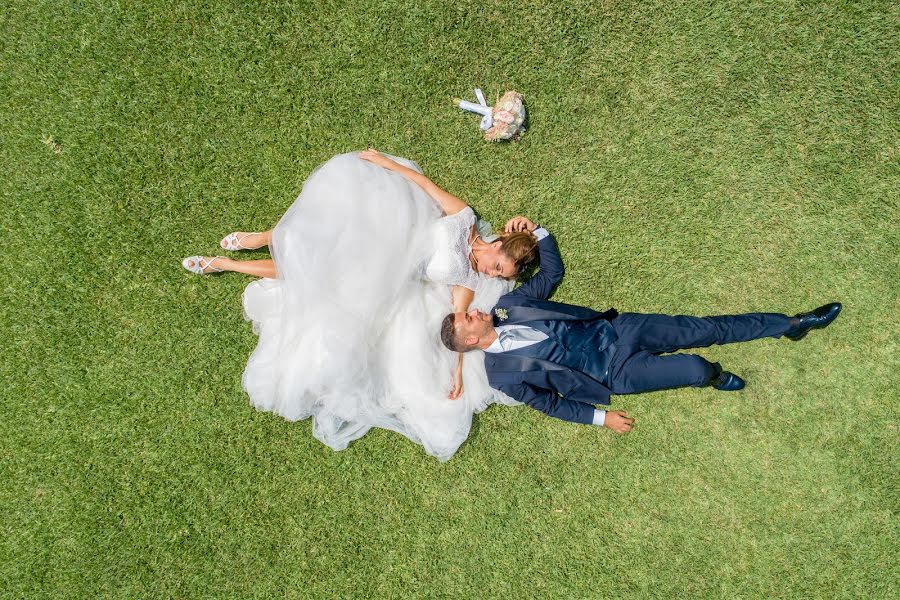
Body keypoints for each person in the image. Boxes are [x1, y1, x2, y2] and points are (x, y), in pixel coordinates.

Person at [182, 150, 540, 459]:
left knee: (315, 271)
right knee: (321, 232)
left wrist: (458, 368)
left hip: (386, 273)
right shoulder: (464, 217)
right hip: (391, 231)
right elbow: (425, 186)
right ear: (498, 245)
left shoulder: (468, 278)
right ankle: (262, 237)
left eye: (499, 275)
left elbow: (458, 320)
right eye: (498, 267)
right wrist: (384, 163)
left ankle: (226, 263)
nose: (492, 274)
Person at [440, 216, 842, 433]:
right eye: (468, 318)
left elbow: (551, 275)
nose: (475, 310)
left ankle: (791, 323)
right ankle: (715, 376)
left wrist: (536, 230)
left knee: (707, 329)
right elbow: (550, 405)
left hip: (620, 330)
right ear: (471, 340)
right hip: (616, 373)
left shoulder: (511, 304)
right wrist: (602, 418)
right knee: (695, 369)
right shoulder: (502, 376)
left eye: (467, 310)